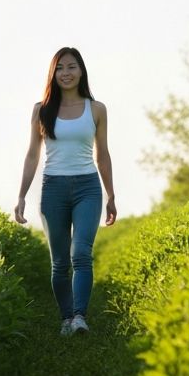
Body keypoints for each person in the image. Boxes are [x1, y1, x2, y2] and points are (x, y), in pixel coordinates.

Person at [14, 46, 117, 335]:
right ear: (52, 74)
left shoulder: (96, 109)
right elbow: (33, 155)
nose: (66, 73)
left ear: (81, 70)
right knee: (59, 262)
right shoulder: (41, 110)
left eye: (71, 67)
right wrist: (21, 196)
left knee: (81, 253)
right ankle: (66, 318)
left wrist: (110, 195)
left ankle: (80, 317)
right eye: (59, 68)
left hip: (87, 187)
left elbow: (103, 155)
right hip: (53, 188)